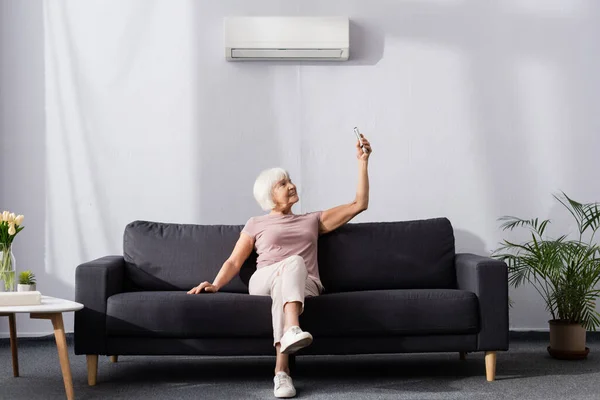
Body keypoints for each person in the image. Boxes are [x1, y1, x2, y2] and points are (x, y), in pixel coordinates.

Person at [188, 133, 372, 398]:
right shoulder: (256, 223)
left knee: (289, 279)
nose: (291, 185)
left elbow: (359, 204)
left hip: (304, 283)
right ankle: (292, 330)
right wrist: (215, 284)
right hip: (263, 279)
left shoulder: (312, 221)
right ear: (269, 194)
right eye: (283, 183)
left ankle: (281, 373)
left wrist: (362, 162)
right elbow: (234, 260)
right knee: (289, 268)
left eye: (290, 181)